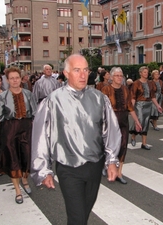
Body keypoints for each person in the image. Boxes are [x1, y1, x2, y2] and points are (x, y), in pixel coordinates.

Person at [30, 54, 121, 225]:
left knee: (83, 214)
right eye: (77, 70)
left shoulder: (100, 98)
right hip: (68, 168)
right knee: (77, 218)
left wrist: (111, 160)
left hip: (94, 165)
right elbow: (41, 136)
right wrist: (43, 169)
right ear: (66, 73)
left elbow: (110, 131)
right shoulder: (53, 101)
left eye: (85, 70)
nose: (83, 75)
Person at [0, 67, 37, 204]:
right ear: (7, 80)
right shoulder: (2, 96)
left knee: (27, 156)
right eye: (11, 78)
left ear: (21, 78)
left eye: (17, 78)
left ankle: (25, 178)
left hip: (27, 128)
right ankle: (17, 190)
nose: (14, 80)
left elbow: (36, 114)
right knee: (13, 158)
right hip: (10, 129)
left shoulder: (29, 94)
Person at [101, 67, 142, 184]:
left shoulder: (125, 89)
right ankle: (106, 164)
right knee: (108, 146)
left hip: (123, 120)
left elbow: (130, 107)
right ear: (112, 77)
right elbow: (101, 108)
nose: (119, 78)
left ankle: (119, 173)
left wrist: (137, 121)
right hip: (110, 121)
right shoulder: (106, 90)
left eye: (121, 75)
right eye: (117, 75)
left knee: (123, 145)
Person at [129, 66, 162, 150]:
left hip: (148, 104)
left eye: (147, 72)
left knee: (146, 122)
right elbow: (133, 96)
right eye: (144, 72)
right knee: (139, 121)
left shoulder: (150, 83)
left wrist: (157, 105)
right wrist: (131, 108)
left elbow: (153, 96)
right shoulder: (136, 83)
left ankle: (144, 143)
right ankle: (133, 136)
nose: (146, 74)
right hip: (139, 105)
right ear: (140, 73)